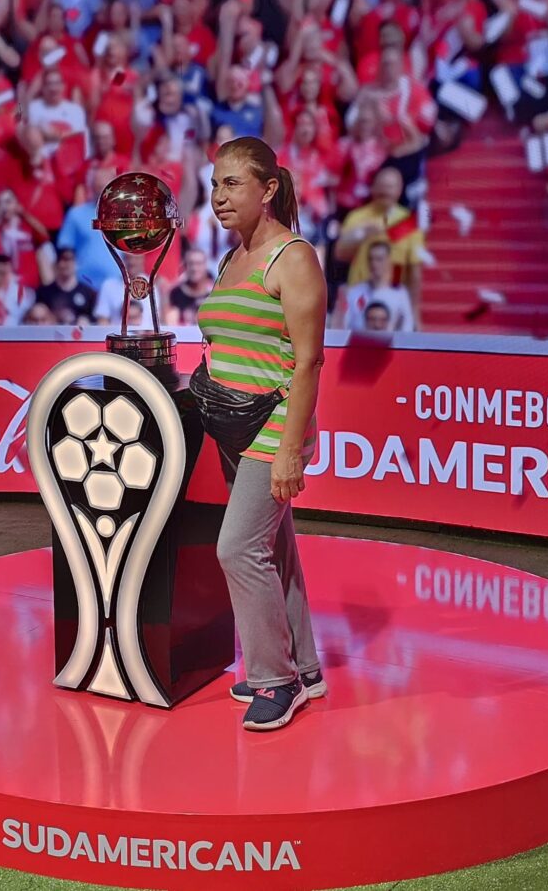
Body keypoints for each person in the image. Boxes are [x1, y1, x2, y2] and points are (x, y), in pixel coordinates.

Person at [193, 136, 327, 733]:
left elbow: (307, 363)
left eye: (231, 184)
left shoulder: (291, 257)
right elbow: (231, 341)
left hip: (272, 428)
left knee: (238, 549)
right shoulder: (233, 256)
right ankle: (305, 665)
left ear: (268, 190)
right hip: (230, 421)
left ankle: (277, 681)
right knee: (275, 549)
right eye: (215, 184)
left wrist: (289, 450)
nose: (218, 196)